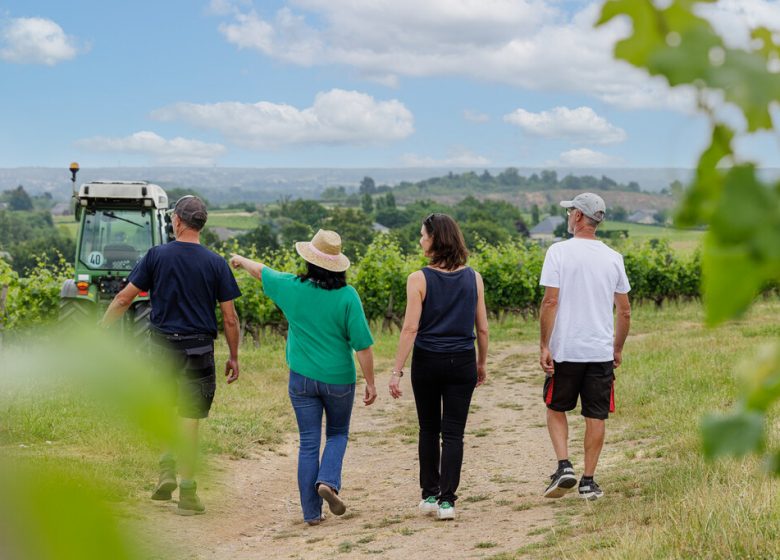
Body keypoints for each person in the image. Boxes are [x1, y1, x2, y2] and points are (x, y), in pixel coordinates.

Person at [101, 195, 241, 516]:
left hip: (162, 347)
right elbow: (230, 319)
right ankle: (188, 493)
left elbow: (124, 299)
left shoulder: (156, 256)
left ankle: (166, 467)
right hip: (199, 349)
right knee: (190, 420)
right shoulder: (216, 263)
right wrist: (233, 356)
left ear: (176, 220)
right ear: (201, 224)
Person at [230, 229, 376, 526]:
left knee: (309, 441)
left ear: (309, 260)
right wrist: (370, 382)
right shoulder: (348, 296)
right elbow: (362, 345)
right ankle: (328, 482)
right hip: (338, 380)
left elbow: (262, 272)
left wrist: (239, 259)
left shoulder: (291, 286)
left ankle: (311, 513)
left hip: (302, 380)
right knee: (337, 434)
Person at [389, 213, 489, 521]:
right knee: (454, 433)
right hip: (462, 361)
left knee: (428, 429)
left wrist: (397, 370)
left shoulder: (418, 279)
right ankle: (448, 502)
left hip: (428, 362)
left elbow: (409, 328)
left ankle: (430, 495)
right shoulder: (474, 278)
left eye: (423, 235)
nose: (420, 240)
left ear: (436, 239)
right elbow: (482, 328)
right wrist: (481, 362)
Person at [538, 192, 631, 501]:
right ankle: (588, 481)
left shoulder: (558, 252)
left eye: (570, 212)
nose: (568, 216)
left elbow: (551, 301)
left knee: (555, 408)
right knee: (596, 416)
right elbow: (625, 310)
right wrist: (616, 347)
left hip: (566, 350)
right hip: (599, 351)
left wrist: (544, 345)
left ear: (578, 216)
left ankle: (564, 466)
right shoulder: (613, 257)